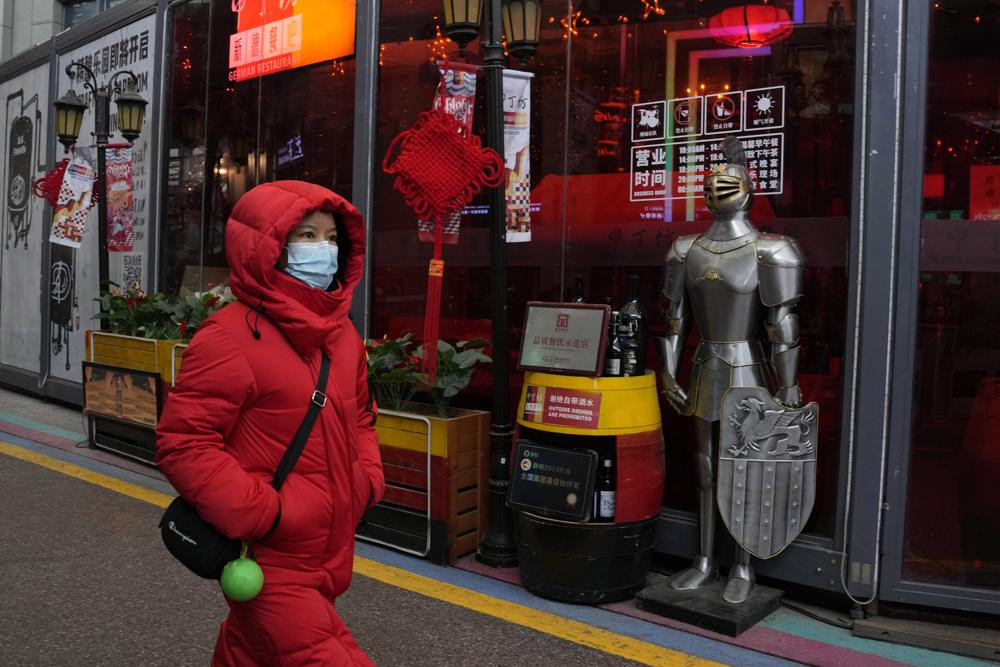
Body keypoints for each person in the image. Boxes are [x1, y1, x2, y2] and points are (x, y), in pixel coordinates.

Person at [156, 180, 384, 665]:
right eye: (306, 236)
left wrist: (366, 479)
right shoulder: (228, 337)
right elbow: (184, 442)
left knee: (249, 651)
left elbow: (363, 416)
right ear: (270, 247)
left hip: (330, 547)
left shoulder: (342, 336)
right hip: (267, 558)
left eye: (331, 238)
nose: (323, 249)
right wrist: (265, 513)